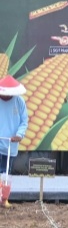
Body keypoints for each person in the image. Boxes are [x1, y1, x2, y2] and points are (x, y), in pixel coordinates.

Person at [0, 76, 28, 208]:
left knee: (6, 173)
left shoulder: (19, 102)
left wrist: (19, 135)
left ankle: (4, 198)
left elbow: (24, 121)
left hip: (11, 144)